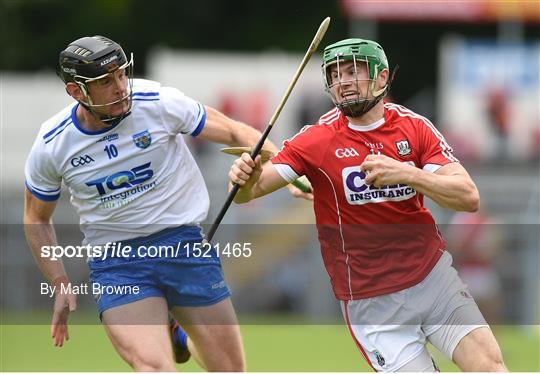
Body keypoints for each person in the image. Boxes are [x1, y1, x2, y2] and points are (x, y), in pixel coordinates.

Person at [23, 35, 304, 372]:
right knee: (156, 368)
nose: (119, 86)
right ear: (76, 92)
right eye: (105, 81)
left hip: (183, 247)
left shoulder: (156, 101)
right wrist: (59, 283)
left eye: (121, 74)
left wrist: (286, 175)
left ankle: (182, 334)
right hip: (118, 263)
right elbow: (36, 218)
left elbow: (234, 132)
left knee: (230, 370)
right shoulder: (52, 144)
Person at [229, 38, 507, 372]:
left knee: (489, 365)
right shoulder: (316, 139)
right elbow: (252, 189)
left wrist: (407, 173)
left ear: (380, 77)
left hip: (432, 279)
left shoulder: (414, 127)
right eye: (334, 74)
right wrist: (242, 179)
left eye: (352, 71)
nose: (343, 81)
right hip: (371, 301)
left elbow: (468, 196)